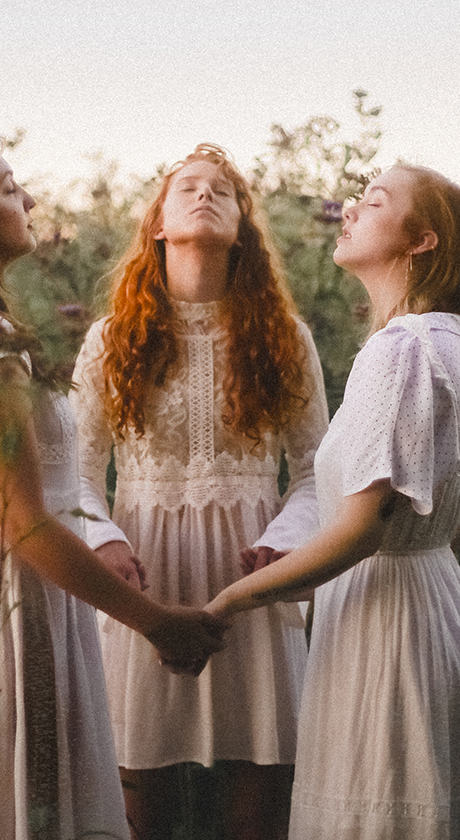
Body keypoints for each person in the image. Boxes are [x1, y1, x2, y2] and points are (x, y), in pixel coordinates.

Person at [0, 128, 227, 840]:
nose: (27, 197)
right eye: (6, 187)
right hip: (5, 618)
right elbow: (24, 524)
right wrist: (157, 621)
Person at [205, 164, 460, 839]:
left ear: (421, 241)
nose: (348, 209)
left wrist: (234, 599)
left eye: (373, 202)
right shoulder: (458, 347)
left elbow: (362, 531)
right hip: (439, 611)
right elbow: (437, 523)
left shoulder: (401, 351)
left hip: (391, 639)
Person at [71, 145, 329, 840]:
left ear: (243, 227)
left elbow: (314, 474)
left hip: (253, 577)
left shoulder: (285, 338)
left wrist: (285, 540)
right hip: (146, 579)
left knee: (261, 785)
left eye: (223, 190)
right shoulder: (110, 339)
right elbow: (76, 473)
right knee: (137, 787)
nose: (205, 195)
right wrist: (105, 538)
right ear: (157, 223)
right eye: (187, 186)